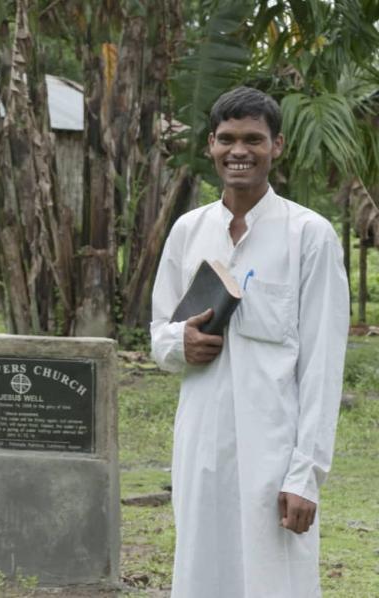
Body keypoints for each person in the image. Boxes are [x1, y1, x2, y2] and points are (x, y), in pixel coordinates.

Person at [150, 86, 350, 597]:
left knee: (273, 578)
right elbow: (160, 336)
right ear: (211, 145)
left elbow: (323, 366)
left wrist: (305, 475)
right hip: (201, 442)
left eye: (253, 140)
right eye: (228, 139)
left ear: (276, 146)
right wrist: (181, 344)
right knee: (201, 571)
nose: (239, 151)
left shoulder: (309, 235)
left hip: (275, 450)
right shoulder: (188, 231)